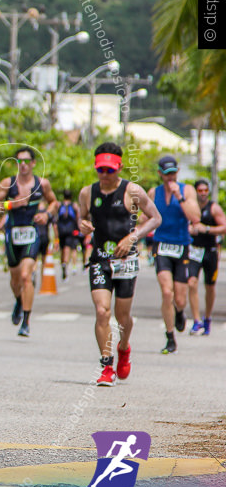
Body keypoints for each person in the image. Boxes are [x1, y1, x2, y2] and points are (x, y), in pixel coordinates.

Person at [77, 142, 161, 386]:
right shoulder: (87, 193)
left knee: (122, 317)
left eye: (110, 170)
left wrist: (133, 237)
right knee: (102, 310)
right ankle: (106, 365)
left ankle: (124, 348)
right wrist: (82, 224)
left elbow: (156, 218)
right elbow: (82, 217)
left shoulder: (132, 191)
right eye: (100, 170)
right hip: (99, 260)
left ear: (119, 167)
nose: (104, 175)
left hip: (125, 260)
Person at [0, 146, 58, 338]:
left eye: (27, 161)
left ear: (33, 163)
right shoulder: (8, 183)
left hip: (32, 234)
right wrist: (11, 204)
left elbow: (54, 203)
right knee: (15, 278)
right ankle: (19, 300)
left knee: (26, 275)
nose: (24, 165)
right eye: (20, 161)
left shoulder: (42, 184)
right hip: (12, 234)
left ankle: (26, 321)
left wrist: (46, 215)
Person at [144, 155, 201, 354]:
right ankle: (170, 337)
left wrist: (180, 197)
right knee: (166, 292)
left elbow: (195, 217)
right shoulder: (154, 192)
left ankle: (179, 312)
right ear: (160, 174)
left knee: (180, 298)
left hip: (182, 246)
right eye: (166, 174)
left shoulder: (187, 190)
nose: (170, 178)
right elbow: (145, 217)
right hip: (161, 246)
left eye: (173, 173)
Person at [187, 179, 225, 335]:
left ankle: (207, 317)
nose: (203, 193)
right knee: (191, 283)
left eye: (205, 190)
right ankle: (196, 320)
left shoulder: (214, 208)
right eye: (200, 190)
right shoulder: (189, 208)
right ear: (195, 191)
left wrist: (207, 228)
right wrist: (188, 228)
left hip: (210, 251)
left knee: (210, 287)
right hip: (194, 250)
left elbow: (224, 227)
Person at [56, 189, 82, 280]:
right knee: (68, 247)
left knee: (62, 248)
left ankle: (62, 262)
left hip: (61, 230)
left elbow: (56, 218)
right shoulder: (74, 205)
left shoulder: (59, 205)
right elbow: (78, 217)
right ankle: (65, 263)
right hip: (70, 230)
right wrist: (79, 229)